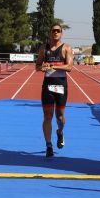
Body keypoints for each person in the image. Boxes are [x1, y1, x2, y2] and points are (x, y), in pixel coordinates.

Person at [35, 23, 73, 157]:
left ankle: (60, 132)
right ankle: (48, 145)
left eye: (58, 31)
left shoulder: (66, 48)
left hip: (61, 85)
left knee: (60, 117)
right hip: (48, 85)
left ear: (61, 33)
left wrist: (53, 66)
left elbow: (69, 67)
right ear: (50, 33)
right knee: (47, 116)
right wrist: (42, 68)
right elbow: (37, 66)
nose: (55, 32)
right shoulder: (43, 48)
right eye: (53, 30)